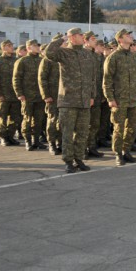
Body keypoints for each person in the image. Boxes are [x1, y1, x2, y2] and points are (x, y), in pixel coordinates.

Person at [44, 28, 95, 173]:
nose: (83, 36)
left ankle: (79, 158)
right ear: (72, 37)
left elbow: (93, 77)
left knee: (82, 132)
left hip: (84, 100)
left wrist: (92, 96)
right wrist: (61, 40)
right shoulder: (64, 53)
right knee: (67, 132)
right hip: (68, 100)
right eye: (80, 35)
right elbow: (48, 53)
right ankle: (68, 160)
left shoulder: (87, 54)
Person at [104, 29, 136, 166]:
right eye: (128, 35)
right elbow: (107, 80)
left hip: (133, 99)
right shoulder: (113, 57)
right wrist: (110, 98)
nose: (131, 37)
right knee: (119, 128)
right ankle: (118, 153)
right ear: (120, 40)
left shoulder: (134, 56)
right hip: (119, 100)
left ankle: (126, 151)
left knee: (132, 127)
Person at [13, 39, 46, 151]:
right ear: (28, 48)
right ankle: (28, 141)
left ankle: (36, 141)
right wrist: (19, 93)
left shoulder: (42, 60)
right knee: (27, 119)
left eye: (38, 46)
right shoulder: (22, 61)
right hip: (27, 96)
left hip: (39, 96)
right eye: (35, 46)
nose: (37, 47)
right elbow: (16, 78)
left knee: (38, 120)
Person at [38, 39, 62, 156]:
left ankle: (60, 143)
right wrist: (46, 95)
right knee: (52, 120)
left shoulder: (64, 58)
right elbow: (42, 79)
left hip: (65, 97)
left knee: (62, 122)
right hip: (52, 96)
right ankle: (52, 143)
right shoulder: (47, 60)